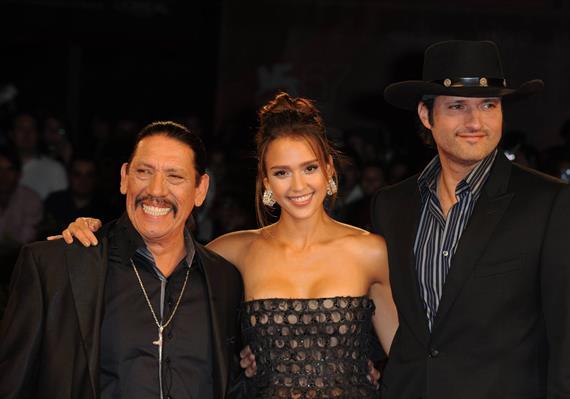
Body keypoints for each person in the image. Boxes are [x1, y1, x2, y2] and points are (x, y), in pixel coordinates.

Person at [57, 93, 397, 398]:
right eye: (281, 173)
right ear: (266, 182)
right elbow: (158, 253)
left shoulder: (369, 251)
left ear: (328, 170)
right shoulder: (233, 252)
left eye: (308, 168)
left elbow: (407, 358)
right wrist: (96, 232)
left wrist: (379, 371)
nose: (298, 185)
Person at [374, 40, 570, 399]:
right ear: (425, 115)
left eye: (488, 105)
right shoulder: (390, 206)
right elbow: (382, 315)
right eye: (458, 106)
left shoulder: (552, 205)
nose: (475, 121)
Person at [0, 121, 246, 399]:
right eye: (144, 172)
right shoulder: (54, 267)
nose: (156, 190)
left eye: (174, 176)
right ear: (124, 177)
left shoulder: (225, 280)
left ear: (200, 189)